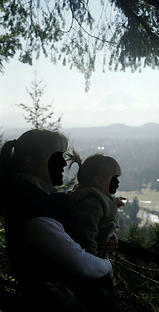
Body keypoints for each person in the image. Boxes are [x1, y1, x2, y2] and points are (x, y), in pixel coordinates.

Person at [0, 129, 118, 312]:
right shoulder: (32, 210)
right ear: (29, 162)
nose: (64, 163)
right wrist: (107, 265)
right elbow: (82, 264)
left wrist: (106, 235)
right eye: (56, 156)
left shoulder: (40, 197)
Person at [65, 151, 125, 257]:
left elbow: (105, 202)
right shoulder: (91, 205)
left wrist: (114, 203)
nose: (118, 182)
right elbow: (86, 236)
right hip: (92, 262)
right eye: (114, 178)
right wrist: (93, 259)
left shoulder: (93, 199)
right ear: (98, 181)